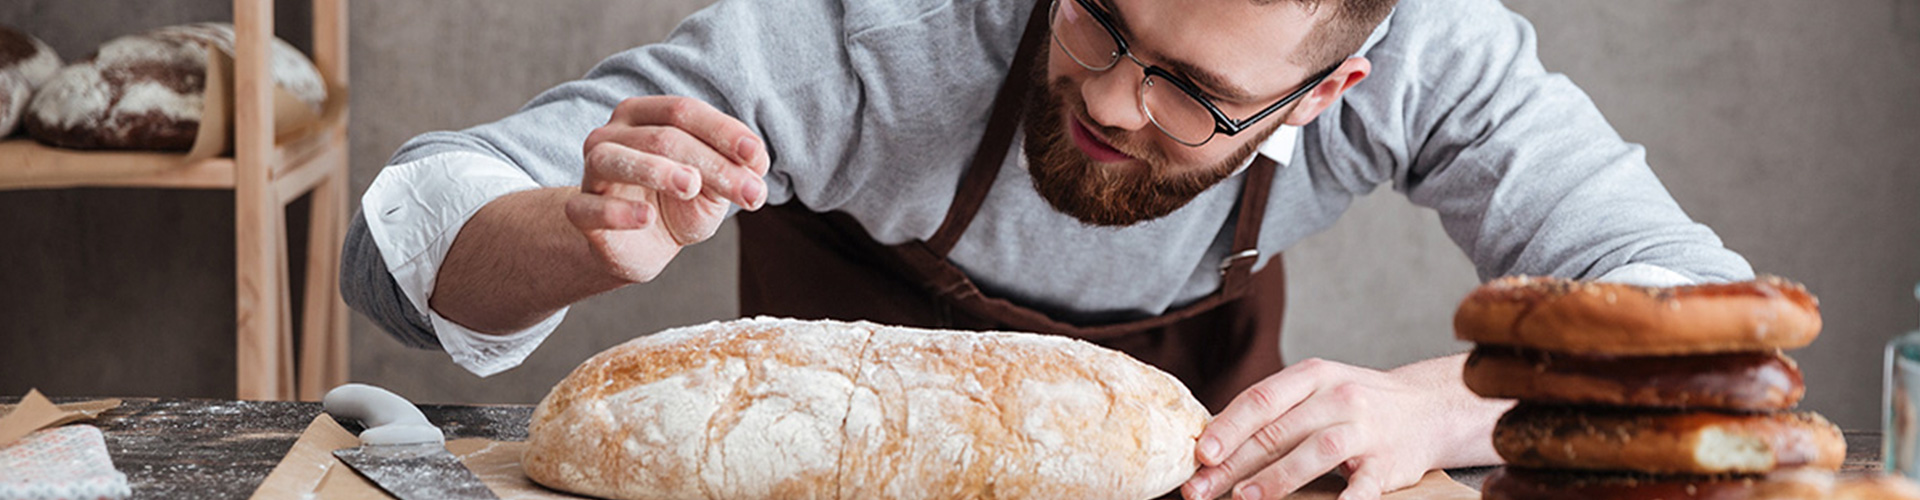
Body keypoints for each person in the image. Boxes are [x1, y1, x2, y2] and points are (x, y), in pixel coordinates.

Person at [341, 0, 1753, 497]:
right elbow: (399, 242)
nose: (1109, 103)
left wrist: (1446, 401)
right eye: (1100, 21)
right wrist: (579, 234)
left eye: (1195, 94)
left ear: (1328, 98)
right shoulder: (875, 37)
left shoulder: (1442, 59)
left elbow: (1707, 315)